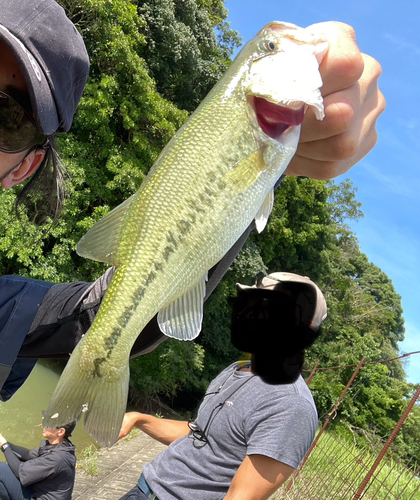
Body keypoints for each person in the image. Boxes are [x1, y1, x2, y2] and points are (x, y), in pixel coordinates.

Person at [0, 2, 385, 401]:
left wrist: (278, 165)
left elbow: (94, 316)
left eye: (6, 116)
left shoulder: (8, 310)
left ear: (23, 168)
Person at [116, 272, 328, 500]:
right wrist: (139, 419)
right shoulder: (238, 369)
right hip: (143, 490)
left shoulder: (290, 405)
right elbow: (200, 434)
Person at [0, 418, 77, 500]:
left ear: (61, 432)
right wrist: (4, 442)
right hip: (37, 491)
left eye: (49, 423)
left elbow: (21, 472)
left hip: (38, 497)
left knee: (1, 469)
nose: (44, 425)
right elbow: (28, 455)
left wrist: (4, 446)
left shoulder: (57, 458)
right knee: (14, 465)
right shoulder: (57, 446)